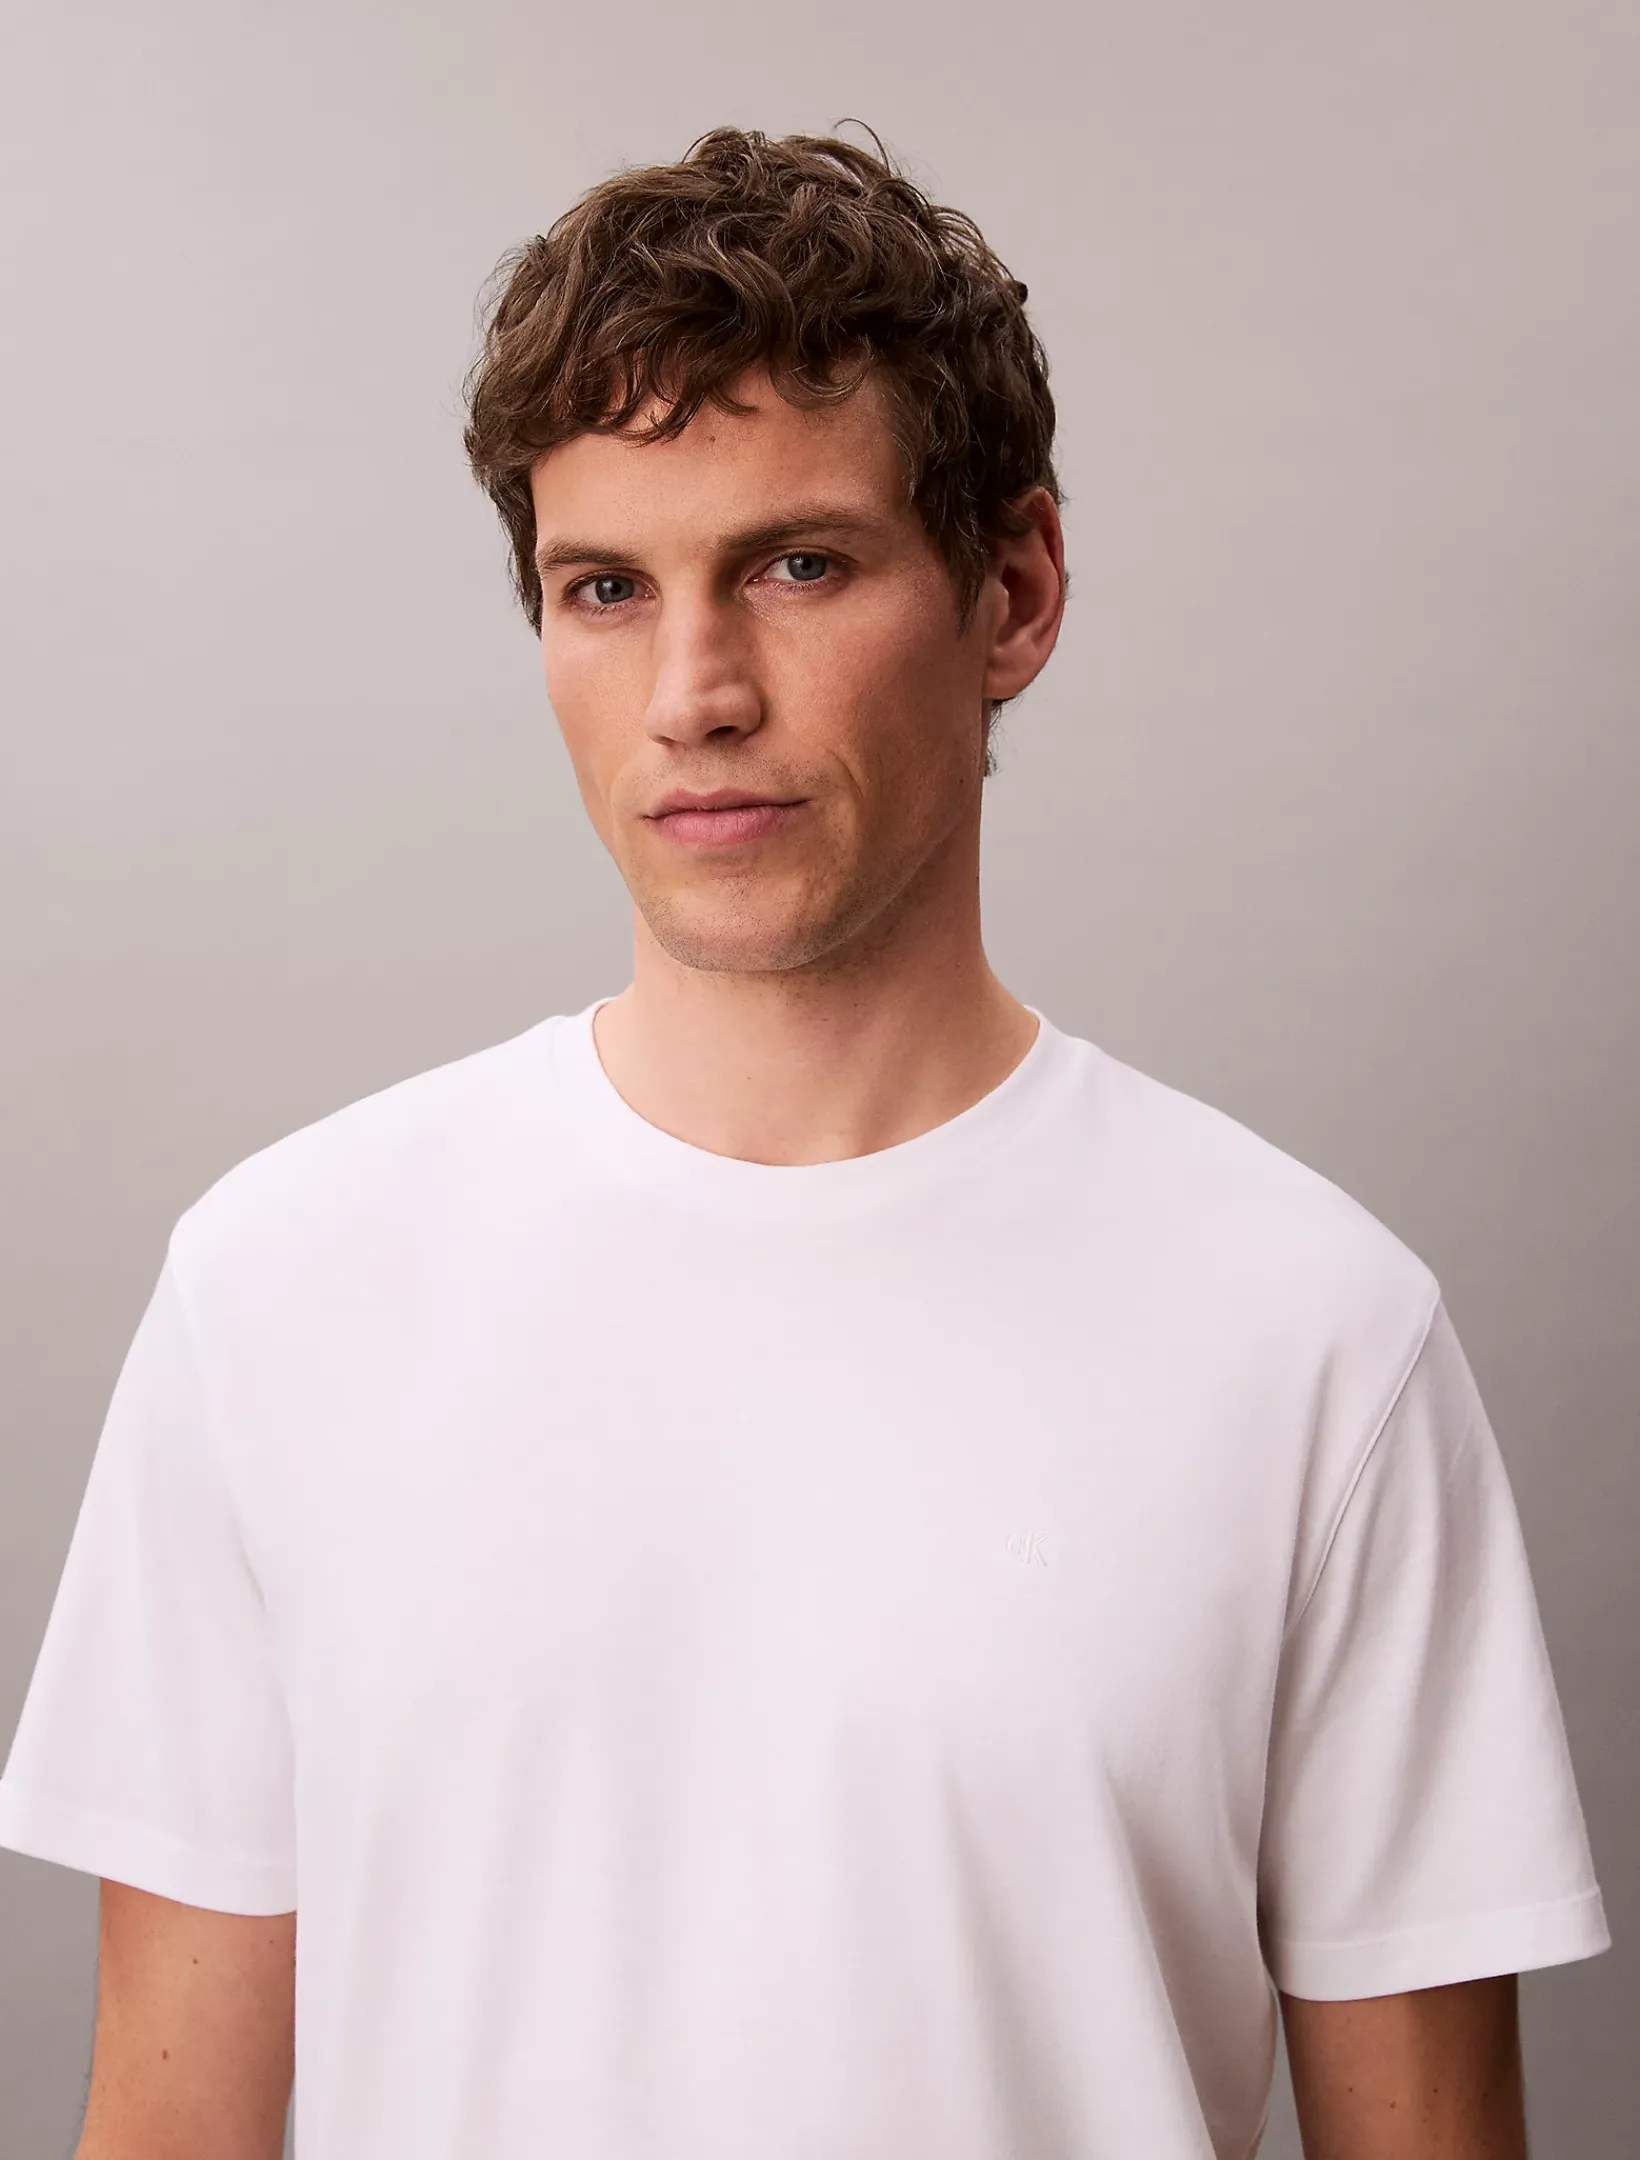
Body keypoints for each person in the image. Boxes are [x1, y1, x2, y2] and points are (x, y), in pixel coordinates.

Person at [0, 126, 1608, 2160]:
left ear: (1013, 591)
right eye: (606, 589)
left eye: (798, 565)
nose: (695, 695)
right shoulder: (278, 1292)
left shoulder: (1314, 1336)